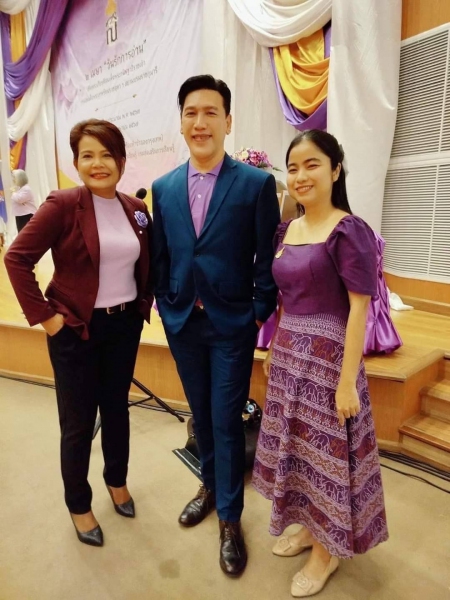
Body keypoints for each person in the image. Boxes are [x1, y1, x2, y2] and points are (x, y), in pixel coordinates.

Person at [152, 74, 280, 576]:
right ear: (181, 121)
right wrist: (167, 305)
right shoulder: (163, 188)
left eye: (210, 112)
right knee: (200, 416)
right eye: (191, 113)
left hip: (232, 324)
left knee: (226, 420)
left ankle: (230, 517)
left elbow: (266, 256)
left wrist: (258, 310)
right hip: (184, 321)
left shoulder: (255, 184)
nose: (200, 122)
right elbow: (162, 256)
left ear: (228, 121)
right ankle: (209, 485)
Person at [252, 130, 388, 597]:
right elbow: (286, 297)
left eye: (312, 164)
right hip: (290, 359)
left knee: (326, 458)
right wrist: (274, 346)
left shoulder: (349, 230)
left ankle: (327, 553)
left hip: (330, 365)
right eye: (293, 168)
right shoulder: (287, 229)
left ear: (335, 170)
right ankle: (311, 529)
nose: (300, 176)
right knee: (300, 453)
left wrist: (347, 382)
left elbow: (359, 309)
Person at [5, 119, 153, 548]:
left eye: (107, 154)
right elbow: (16, 259)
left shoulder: (135, 208)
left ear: (121, 160)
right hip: (76, 329)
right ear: (76, 163)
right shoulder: (63, 204)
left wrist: (143, 305)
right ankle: (78, 503)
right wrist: (48, 319)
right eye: (87, 155)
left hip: (123, 326)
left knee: (118, 410)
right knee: (78, 422)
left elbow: (148, 261)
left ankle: (117, 481)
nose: (98, 163)